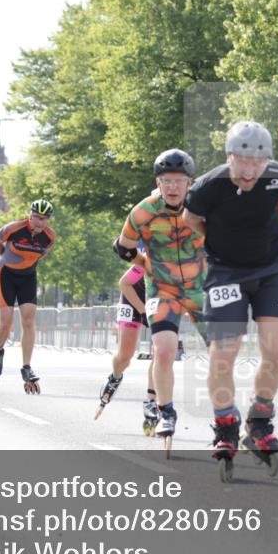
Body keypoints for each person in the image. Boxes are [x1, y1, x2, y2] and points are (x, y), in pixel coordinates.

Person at [182, 121, 278, 474]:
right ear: (229, 156)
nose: (249, 170)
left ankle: (259, 419)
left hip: (271, 270)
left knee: (275, 350)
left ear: (268, 161)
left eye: (257, 163)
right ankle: (225, 423)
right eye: (241, 161)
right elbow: (191, 220)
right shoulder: (207, 188)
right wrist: (222, 239)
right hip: (226, 272)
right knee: (224, 352)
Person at [114, 149, 206, 447]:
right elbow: (124, 247)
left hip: (199, 288)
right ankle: (165, 411)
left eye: (180, 181)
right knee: (164, 350)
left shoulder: (205, 208)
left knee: (222, 352)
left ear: (189, 183)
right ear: (158, 181)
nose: (173, 187)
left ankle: (225, 421)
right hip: (162, 289)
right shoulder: (143, 211)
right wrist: (146, 265)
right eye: (167, 180)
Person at [0, 198, 57, 392]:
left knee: (28, 321)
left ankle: (26, 367)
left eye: (43, 219)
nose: (39, 222)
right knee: (6, 322)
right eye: (36, 217)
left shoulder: (50, 236)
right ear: (30, 215)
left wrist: (28, 263)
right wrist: (5, 256)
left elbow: (42, 253)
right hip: (7, 274)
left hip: (28, 276)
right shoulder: (14, 228)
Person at [95, 248, 157, 430]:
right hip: (132, 298)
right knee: (125, 355)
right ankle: (115, 377)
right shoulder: (151, 258)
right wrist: (143, 310)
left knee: (160, 353)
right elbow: (124, 283)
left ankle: (151, 402)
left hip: (157, 299)